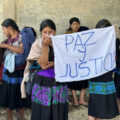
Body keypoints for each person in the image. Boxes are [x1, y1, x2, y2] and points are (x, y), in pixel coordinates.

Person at [21, 19, 69, 120]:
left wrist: (54, 64)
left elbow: (66, 61)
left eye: (50, 32)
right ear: (41, 32)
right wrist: (45, 46)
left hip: (58, 83)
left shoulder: (60, 43)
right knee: (43, 111)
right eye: (44, 32)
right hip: (42, 83)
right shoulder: (37, 44)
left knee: (57, 110)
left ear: (55, 32)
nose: (47, 35)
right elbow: (43, 64)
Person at [0, 18, 36, 120]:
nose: (3, 31)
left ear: (9, 28)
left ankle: (21, 116)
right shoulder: (8, 38)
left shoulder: (21, 37)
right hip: (8, 73)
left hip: (19, 72)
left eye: (4, 29)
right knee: (8, 95)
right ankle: (9, 116)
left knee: (20, 94)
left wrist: (6, 45)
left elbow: (21, 50)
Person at [88, 19, 119, 120]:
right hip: (97, 78)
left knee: (99, 110)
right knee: (94, 110)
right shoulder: (92, 42)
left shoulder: (112, 42)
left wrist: (117, 31)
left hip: (106, 78)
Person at [66, 17, 89, 108]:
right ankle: (75, 100)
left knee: (84, 80)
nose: (76, 25)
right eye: (74, 24)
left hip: (82, 61)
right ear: (70, 25)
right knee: (72, 81)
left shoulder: (83, 33)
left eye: (77, 23)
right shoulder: (67, 36)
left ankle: (82, 99)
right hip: (72, 62)